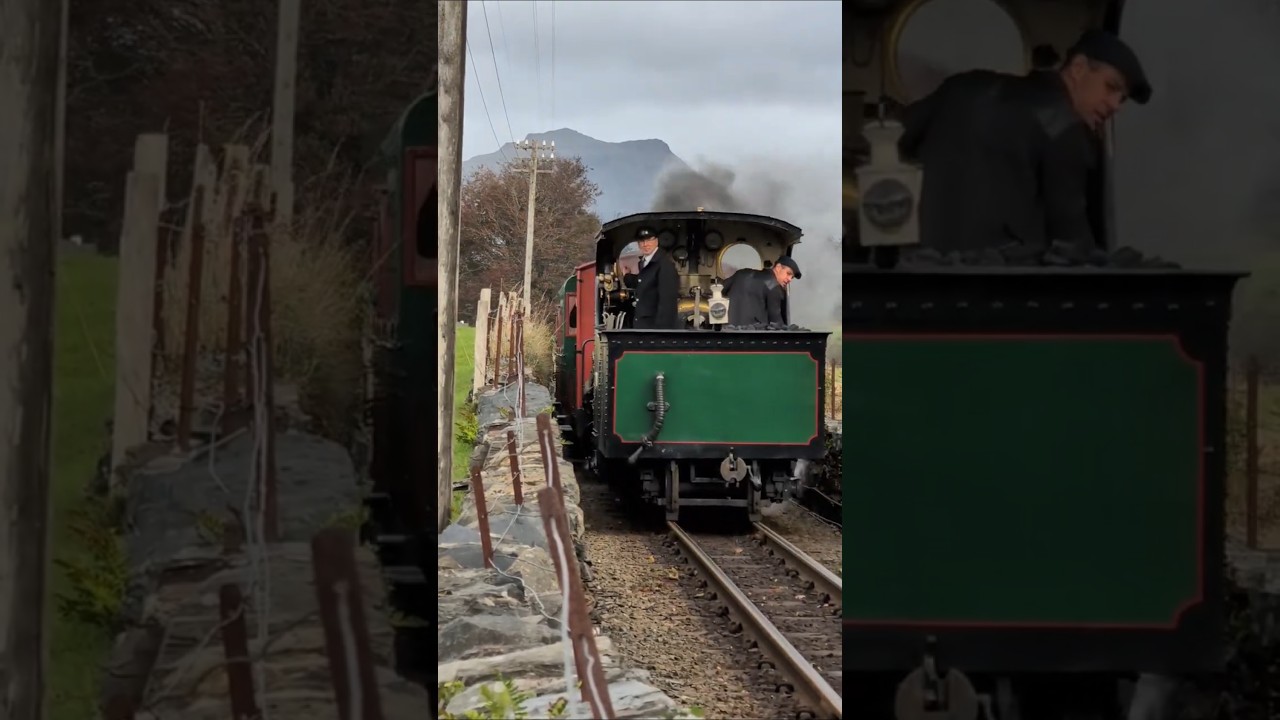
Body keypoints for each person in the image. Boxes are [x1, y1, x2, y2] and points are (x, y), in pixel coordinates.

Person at [898, 29, 1151, 263]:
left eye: (1122, 99)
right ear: (1078, 68)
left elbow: (891, 141)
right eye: (1111, 87)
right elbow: (1072, 243)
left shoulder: (963, 86)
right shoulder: (1064, 130)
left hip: (924, 272)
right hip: (1000, 289)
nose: (1115, 105)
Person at [721, 255, 801, 326]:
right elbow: (776, 323)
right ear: (778, 267)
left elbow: (717, 291)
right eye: (788, 273)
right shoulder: (773, 287)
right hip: (752, 338)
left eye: (792, 277)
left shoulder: (742, 273)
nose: (789, 279)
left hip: (727, 333)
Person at [630, 227, 680, 330]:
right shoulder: (645, 263)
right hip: (643, 326)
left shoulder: (665, 265)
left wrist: (662, 333)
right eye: (642, 241)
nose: (645, 244)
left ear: (656, 241)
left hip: (654, 329)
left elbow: (667, 303)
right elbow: (645, 283)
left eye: (649, 240)